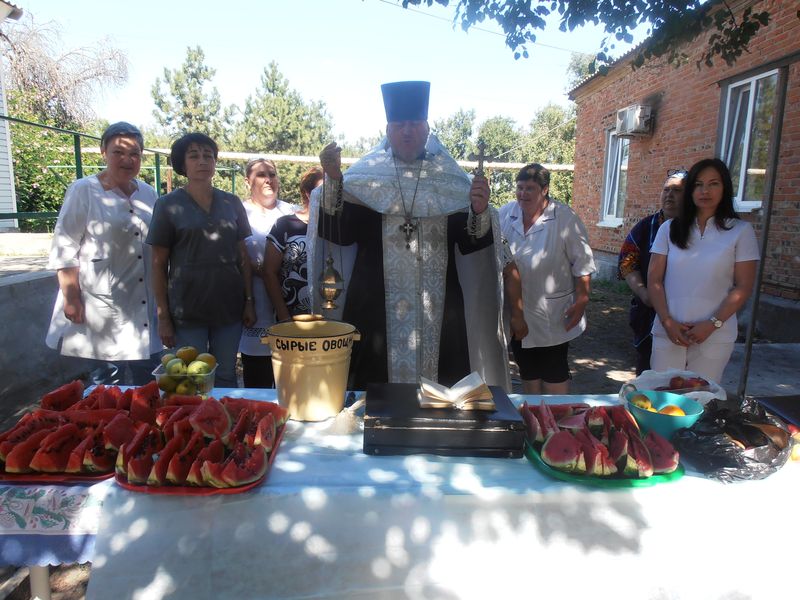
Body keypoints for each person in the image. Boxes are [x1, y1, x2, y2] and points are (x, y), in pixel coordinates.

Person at [310, 80, 512, 390]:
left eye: (415, 123)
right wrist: (335, 181)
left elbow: (470, 243)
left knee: (441, 395)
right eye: (400, 123)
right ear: (388, 129)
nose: (407, 131)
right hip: (375, 306)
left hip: (440, 313)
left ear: (427, 128)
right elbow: (342, 234)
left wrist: (480, 210)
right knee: (372, 396)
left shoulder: (450, 178)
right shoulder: (366, 178)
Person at [46, 122, 161, 385]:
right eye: (118, 152)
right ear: (103, 152)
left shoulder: (148, 193)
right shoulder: (83, 190)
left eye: (134, 154)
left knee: (150, 381)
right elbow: (65, 246)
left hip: (143, 302)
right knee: (107, 384)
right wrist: (71, 297)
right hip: (99, 303)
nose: (127, 160)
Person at [146, 132, 255, 388]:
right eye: (194, 156)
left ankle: (227, 425)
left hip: (229, 307)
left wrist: (249, 301)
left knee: (227, 373)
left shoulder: (231, 202)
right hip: (187, 309)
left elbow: (243, 257)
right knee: (191, 378)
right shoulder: (167, 205)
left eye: (208, 155)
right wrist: (163, 317)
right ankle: (194, 427)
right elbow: (158, 264)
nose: (203, 161)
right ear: (183, 164)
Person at [648, 158, 759, 384]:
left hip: (715, 334)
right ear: (690, 190)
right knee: (660, 399)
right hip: (669, 331)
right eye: (698, 184)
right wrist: (667, 321)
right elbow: (654, 279)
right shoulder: (669, 228)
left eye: (713, 183)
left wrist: (712, 324)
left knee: (701, 402)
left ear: (725, 188)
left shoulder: (740, 231)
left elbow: (744, 286)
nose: (705, 191)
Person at [499, 163, 596, 395]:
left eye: (530, 188)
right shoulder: (505, 214)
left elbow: (582, 263)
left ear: (545, 190)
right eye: (520, 187)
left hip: (553, 313)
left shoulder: (565, 218)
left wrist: (582, 300)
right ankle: (535, 423)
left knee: (554, 373)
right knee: (528, 372)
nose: (523, 194)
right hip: (517, 311)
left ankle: (558, 421)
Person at [618, 169, 687, 374]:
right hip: (648, 314)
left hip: (687, 313)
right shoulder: (645, 227)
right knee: (648, 373)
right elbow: (627, 261)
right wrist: (644, 292)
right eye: (666, 189)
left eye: (677, 190)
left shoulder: (699, 230)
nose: (669, 195)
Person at [238, 158, 296, 388]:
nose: (268, 179)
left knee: (289, 377)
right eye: (261, 175)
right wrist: (259, 270)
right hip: (255, 299)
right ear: (247, 181)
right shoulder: (241, 212)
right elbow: (234, 254)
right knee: (258, 377)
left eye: (272, 174)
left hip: (287, 299)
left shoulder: (289, 211)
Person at [264, 166, 323, 322]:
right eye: (322, 190)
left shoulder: (338, 229)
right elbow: (269, 272)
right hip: (292, 318)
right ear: (308, 193)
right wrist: (284, 316)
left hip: (330, 319)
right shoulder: (285, 225)